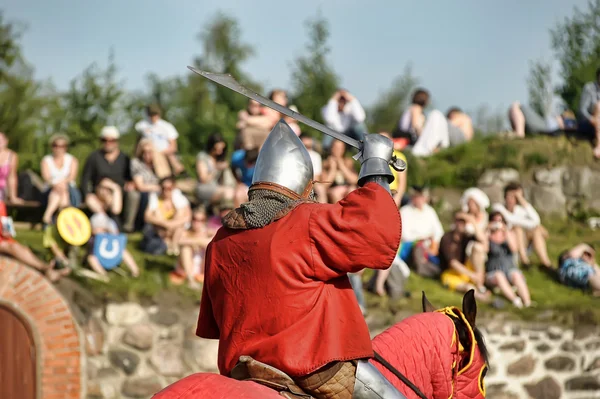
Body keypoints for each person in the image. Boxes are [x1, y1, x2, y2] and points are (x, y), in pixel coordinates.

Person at [197, 120, 405, 398]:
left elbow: (215, 323)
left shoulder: (220, 240)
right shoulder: (305, 220)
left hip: (243, 369)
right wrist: (376, 166)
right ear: (306, 188)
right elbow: (374, 232)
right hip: (314, 367)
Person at [0, 201, 65, 281]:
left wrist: (8, 230)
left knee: (23, 249)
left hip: (6, 240)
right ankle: (44, 268)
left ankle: (46, 269)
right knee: (13, 247)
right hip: (4, 244)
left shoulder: (1, 205)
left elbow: (7, 229)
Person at [80, 126, 133, 224]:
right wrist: (86, 194)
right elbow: (85, 178)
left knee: (116, 199)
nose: (108, 143)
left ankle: (117, 222)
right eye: (105, 140)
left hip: (118, 194)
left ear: (117, 141)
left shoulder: (125, 158)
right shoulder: (94, 157)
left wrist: (119, 186)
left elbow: (130, 178)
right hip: (98, 193)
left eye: (112, 140)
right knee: (92, 201)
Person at [491, 182, 552, 268]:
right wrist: (527, 224)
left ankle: (546, 263)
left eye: (515, 197)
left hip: (523, 241)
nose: (511, 199)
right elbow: (509, 219)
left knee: (537, 230)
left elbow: (536, 220)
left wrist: (521, 199)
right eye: (510, 196)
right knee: (518, 229)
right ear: (505, 196)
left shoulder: (520, 210)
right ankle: (524, 260)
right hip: (508, 241)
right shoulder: (498, 208)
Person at [439, 211, 490, 302]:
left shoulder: (466, 236)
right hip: (450, 273)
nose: (461, 224)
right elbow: (452, 263)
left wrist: (473, 221)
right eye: (459, 221)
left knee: (478, 248)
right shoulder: (447, 238)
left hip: (465, 271)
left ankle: (480, 285)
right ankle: (480, 296)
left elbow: (484, 243)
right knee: (468, 287)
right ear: (454, 222)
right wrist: (472, 275)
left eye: (464, 222)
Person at [485, 211, 532, 308]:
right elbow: (485, 248)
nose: (498, 223)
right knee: (499, 275)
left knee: (516, 275)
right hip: (493, 271)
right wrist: (488, 230)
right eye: (495, 221)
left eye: (500, 221)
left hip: (509, 269)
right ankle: (515, 300)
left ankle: (527, 302)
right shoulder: (488, 235)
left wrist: (505, 230)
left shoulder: (509, 234)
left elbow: (514, 248)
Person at [399, 186, 444, 277]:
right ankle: (425, 269)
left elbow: (439, 231)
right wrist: (423, 238)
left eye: (422, 197)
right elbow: (404, 235)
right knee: (418, 248)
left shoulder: (430, 211)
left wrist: (434, 242)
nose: (420, 200)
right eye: (417, 197)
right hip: (411, 246)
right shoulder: (405, 211)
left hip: (430, 246)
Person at [142, 176, 191, 256]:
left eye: (169, 188)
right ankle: (172, 245)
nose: (166, 191)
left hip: (175, 228)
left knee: (180, 213)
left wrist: (172, 224)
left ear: (173, 188)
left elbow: (188, 217)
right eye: (163, 188)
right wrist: (165, 223)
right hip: (162, 228)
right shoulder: (155, 198)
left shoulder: (180, 199)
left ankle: (172, 244)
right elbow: (147, 217)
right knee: (156, 212)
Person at [40, 134, 81, 225]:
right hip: (51, 189)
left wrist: (61, 184)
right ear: (52, 146)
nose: (59, 148)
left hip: (69, 189)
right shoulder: (46, 160)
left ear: (66, 147)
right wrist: (56, 185)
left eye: (62, 146)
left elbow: (71, 177)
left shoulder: (72, 160)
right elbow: (46, 178)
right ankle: (62, 222)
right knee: (60, 193)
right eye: (56, 145)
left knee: (62, 191)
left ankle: (48, 215)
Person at [170, 207, 215, 290]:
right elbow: (178, 241)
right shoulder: (185, 231)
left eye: (201, 220)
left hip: (201, 268)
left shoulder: (207, 232)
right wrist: (197, 242)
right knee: (185, 248)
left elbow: (213, 241)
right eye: (195, 219)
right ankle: (191, 281)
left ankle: (208, 278)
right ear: (191, 220)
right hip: (185, 268)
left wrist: (194, 241)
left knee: (210, 248)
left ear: (205, 221)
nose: (197, 222)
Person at [134, 104, 185, 176]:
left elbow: (173, 147)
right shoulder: (142, 125)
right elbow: (139, 142)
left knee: (171, 158)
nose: (153, 117)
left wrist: (161, 152)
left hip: (163, 152)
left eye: (155, 114)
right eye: (151, 114)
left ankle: (175, 174)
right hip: (148, 151)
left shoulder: (167, 126)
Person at [86, 211, 140, 279]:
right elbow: (91, 251)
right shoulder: (92, 239)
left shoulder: (110, 236)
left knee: (123, 252)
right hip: (98, 258)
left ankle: (135, 271)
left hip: (113, 255)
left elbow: (117, 242)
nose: (100, 231)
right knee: (91, 258)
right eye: (98, 229)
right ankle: (103, 274)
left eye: (103, 229)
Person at [123, 139, 161, 232]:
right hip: (146, 193)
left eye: (150, 152)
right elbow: (141, 186)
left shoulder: (159, 163)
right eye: (144, 152)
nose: (147, 155)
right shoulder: (136, 163)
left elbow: (166, 179)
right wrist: (157, 187)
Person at [195, 133, 234, 206]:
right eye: (218, 148)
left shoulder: (220, 158)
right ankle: (228, 216)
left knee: (236, 192)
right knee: (228, 192)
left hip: (218, 187)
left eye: (222, 149)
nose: (220, 151)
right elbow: (203, 179)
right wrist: (216, 168)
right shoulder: (203, 157)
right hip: (205, 188)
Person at [508, 101, 578, 138]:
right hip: (521, 111)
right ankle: (514, 133)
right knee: (516, 106)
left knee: (516, 106)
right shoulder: (555, 124)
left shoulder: (559, 128)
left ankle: (515, 133)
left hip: (539, 124)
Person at [380, 131, 407, 207]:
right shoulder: (372, 157)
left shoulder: (399, 157)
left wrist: (398, 197)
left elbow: (402, 182)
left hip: (393, 192)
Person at [577, 67, 600, 158]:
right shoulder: (589, 88)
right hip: (587, 123)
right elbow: (582, 110)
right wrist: (591, 119)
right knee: (599, 106)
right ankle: (599, 146)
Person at [300, 134, 327, 203]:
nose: (308, 149)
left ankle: (322, 211)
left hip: (311, 182)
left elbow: (316, 177)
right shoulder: (295, 154)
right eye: (305, 146)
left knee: (320, 189)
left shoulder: (316, 156)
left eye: (309, 146)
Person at [0, 132, 23, 204]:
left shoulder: (12, 156)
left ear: (6, 141)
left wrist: (13, 196)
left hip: (4, 189)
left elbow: (12, 176)